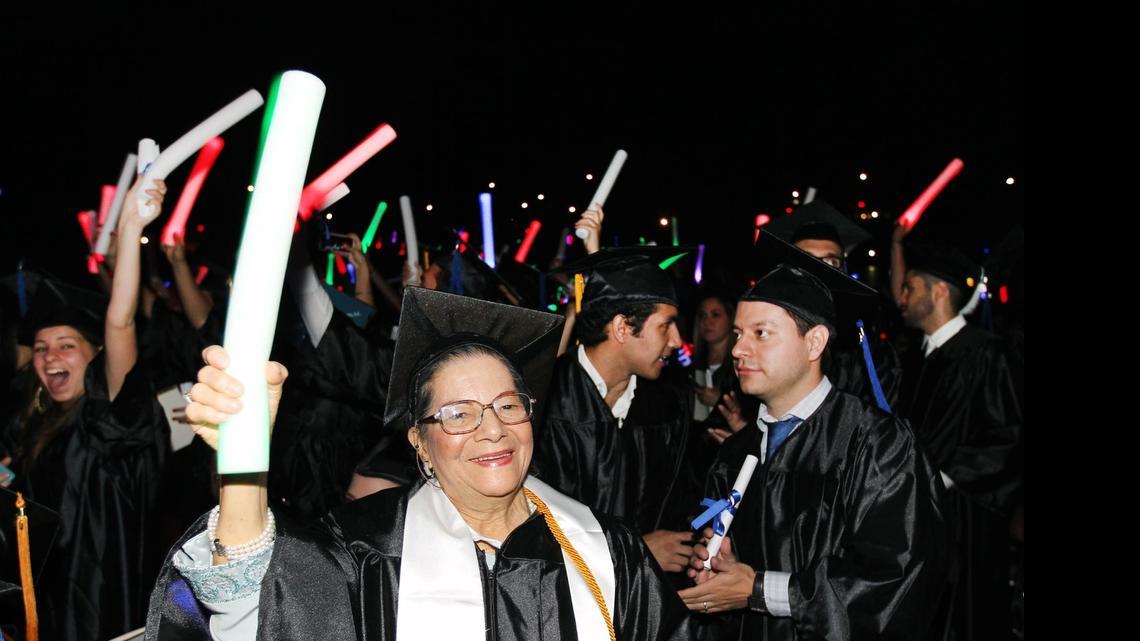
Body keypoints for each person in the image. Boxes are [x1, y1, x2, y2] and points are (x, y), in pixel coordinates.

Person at [146, 287, 690, 640]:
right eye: (458, 414)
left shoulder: (608, 549)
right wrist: (244, 466)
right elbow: (259, 612)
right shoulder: (363, 550)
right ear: (420, 443)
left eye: (508, 406)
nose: (493, 428)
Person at [679, 263, 949, 640]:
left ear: (814, 343)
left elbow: (894, 582)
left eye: (761, 333)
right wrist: (715, 568)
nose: (738, 349)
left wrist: (760, 590)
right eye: (738, 333)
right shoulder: (734, 453)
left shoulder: (877, 444)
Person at [1, 180, 170, 641]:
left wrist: (131, 228)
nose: (49, 356)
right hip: (48, 601)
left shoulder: (108, 418)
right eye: (40, 347)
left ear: (96, 355)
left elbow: (120, 321)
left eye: (66, 345)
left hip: (102, 598)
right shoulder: (35, 424)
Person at [531, 247, 701, 577]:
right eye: (666, 325)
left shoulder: (667, 407)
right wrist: (634, 551)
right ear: (622, 327)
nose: (677, 341)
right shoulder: (543, 402)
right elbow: (530, 526)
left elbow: (678, 504)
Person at [893, 240, 1023, 641]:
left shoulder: (986, 353)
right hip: (917, 519)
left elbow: (1009, 436)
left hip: (967, 520)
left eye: (910, 286)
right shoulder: (914, 359)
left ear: (939, 291)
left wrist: (945, 476)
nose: (901, 297)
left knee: (963, 620)